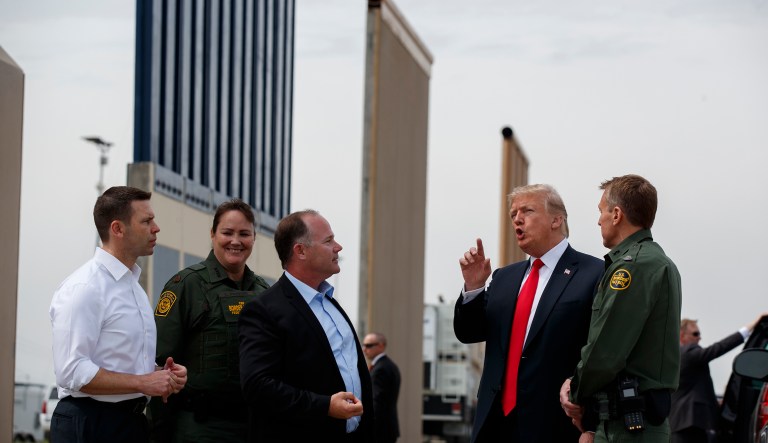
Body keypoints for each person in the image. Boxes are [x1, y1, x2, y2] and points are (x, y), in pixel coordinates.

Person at [455, 184, 604, 442]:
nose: (517, 220)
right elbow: (470, 333)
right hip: (495, 424)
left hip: (555, 424)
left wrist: (591, 425)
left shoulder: (594, 273)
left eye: (527, 211)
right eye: (513, 214)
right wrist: (474, 288)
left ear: (557, 219)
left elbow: (601, 353)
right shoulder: (503, 278)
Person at [49, 186, 188, 443]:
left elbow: (120, 364)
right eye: (146, 221)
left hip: (129, 422)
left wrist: (161, 375)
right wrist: (143, 382)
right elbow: (72, 371)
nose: (156, 228)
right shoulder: (84, 288)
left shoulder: (133, 288)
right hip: (91, 423)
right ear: (117, 229)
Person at [561, 174, 682, 443]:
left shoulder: (632, 266)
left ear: (617, 214)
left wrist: (575, 392)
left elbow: (606, 350)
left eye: (601, 211)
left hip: (626, 428)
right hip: (633, 422)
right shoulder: (657, 262)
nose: (598, 220)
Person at [238, 209, 373, 442]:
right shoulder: (264, 311)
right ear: (300, 251)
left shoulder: (331, 304)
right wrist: (325, 406)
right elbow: (257, 386)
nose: (338, 247)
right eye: (328, 241)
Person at [147, 199, 270, 442]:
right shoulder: (186, 286)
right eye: (227, 232)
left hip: (252, 428)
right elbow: (160, 364)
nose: (236, 241)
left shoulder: (264, 292)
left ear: (254, 238)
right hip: (198, 429)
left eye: (244, 234)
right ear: (213, 234)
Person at [670, 314, 768, 443]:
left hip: (683, 423)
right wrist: (749, 327)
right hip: (689, 424)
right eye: (695, 334)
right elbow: (718, 348)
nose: (699, 338)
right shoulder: (688, 352)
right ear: (681, 335)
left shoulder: (676, 357)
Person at [362, 332, 401, 443]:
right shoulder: (388, 365)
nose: (364, 349)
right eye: (363, 345)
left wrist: (368, 427)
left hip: (380, 430)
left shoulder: (381, 369)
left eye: (369, 346)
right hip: (386, 429)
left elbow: (376, 402)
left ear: (381, 345)